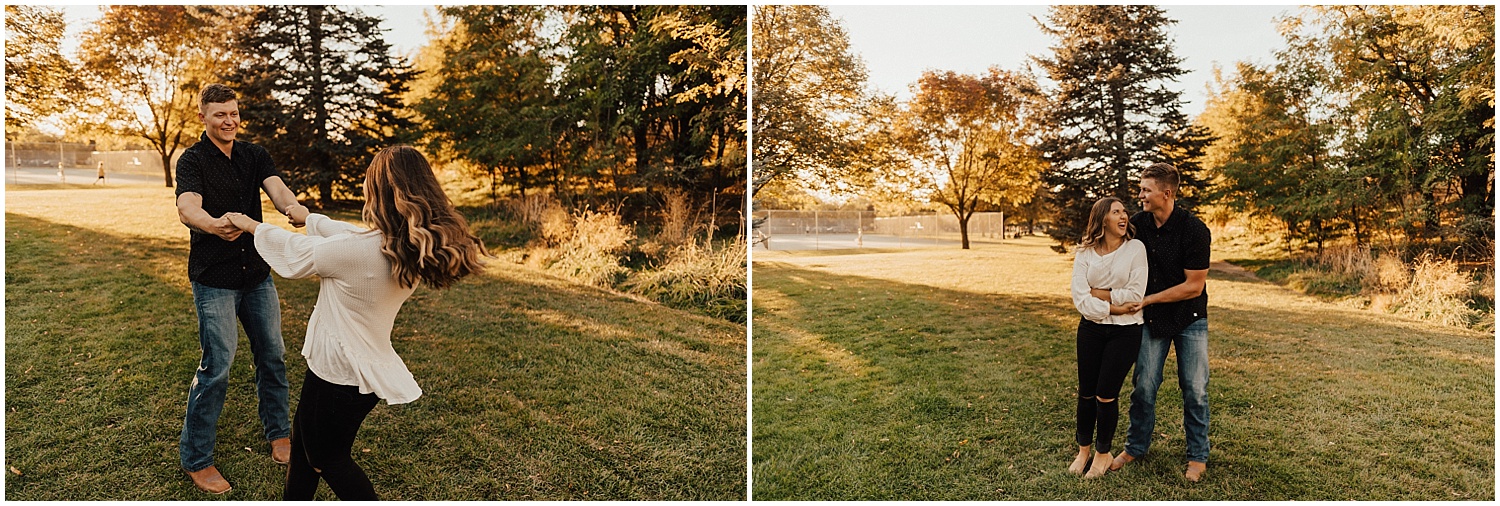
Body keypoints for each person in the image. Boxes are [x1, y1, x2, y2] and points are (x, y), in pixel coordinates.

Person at [224, 145, 488, 500]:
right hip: (350, 372)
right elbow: (350, 236)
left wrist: (250, 225)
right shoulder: (404, 245)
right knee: (303, 448)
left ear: (380, 191)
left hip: (341, 376)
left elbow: (295, 254)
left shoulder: (362, 252)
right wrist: (310, 218)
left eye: (368, 182)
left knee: (326, 458)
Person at [174, 83, 307, 495]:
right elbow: (187, 206)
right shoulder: (192, 160)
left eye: (233, 113)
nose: (228, 121)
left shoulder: (254, 154)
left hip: (257, 276)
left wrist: (295, 209)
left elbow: (278, 189)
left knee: (273, 356)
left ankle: (279, 433)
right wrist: (212, 224)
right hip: (214, 278)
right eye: (219, 114)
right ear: (203, 117)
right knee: (217, 367)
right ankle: (197, 459)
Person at [1110, 162, 1213, 482]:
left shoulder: (1195, 230)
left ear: (1166, 194)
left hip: (1189, 317)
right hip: (1151, 320)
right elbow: (1111, 247)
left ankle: (1197, 456)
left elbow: (1193, 286)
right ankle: (1135, 447)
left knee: (1195, 389)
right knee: (1144, 386)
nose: (1139, 195)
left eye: (1145, 190)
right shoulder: (1138, 224)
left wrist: (1148, 299)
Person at [1067, 197, 1147, 479]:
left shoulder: (1135, 249)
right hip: (1090, 328)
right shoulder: (1085, 252)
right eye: (1116, 212)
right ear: (1103, 220)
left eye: (1124, 212)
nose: (1124, 216)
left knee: (1105, 394)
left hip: (1126, 331)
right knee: (1086, 391)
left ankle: (1103, 453)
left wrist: (1098, 292)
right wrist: (1112, 305)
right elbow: (1080, 297)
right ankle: (1084, 450)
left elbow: (1136, 296)